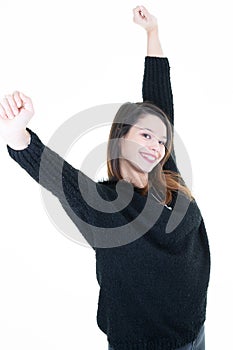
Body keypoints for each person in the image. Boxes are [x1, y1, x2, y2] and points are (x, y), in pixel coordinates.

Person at [0, 5, 210, 350]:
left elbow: (160, 103)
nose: (156, 146)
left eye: (161, 141)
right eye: (145, 136)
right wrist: (17, 136)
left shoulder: (166, 175)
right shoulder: (106, 207)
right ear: (120, 139)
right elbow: (56, 176)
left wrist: (152, 33)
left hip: (195, 331)